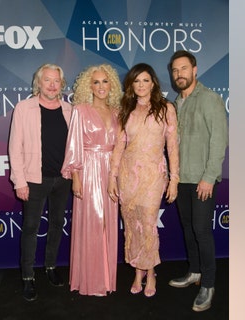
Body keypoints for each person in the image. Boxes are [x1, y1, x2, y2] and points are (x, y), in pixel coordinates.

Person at [108, 63, 179, 298]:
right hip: (128, 176)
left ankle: (150, 272)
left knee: (148, 225)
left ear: (153, 83)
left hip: (153, 176)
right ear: (131, 85)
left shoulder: (166, 108)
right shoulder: (126, 109)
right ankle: (138, 272)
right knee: (132, 225)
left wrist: (174, 179)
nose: (141, 85)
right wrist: (112, 177)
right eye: (136, 81)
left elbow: (172, 146)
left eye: (145, 80)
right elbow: (119, 145)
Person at [167, 50, 228, 312]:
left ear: (195, 69)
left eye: (183, 68)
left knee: (202, 231)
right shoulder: (175, 103)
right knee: (188, 228)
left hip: (202, 180)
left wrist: (208, 178)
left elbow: (218, 141)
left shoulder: (210, 99)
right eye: (175, 70)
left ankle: (209, 284)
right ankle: (194, 272)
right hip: (181, 179)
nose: (179, 73)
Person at [8, 63, 73, 302]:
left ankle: (50, 266)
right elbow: (14, 148)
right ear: (39, 82)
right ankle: (27, 276)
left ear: (61, 84)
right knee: (31, 228)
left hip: (62, 178)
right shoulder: (24, 108)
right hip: (34, 179)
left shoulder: (69, 110)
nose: (52, 85)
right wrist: (19, 181)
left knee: (57, 223)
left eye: (56, 80)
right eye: (47, 80)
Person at [61, 64, 123, 296]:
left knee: (108, 224)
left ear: (112, 85)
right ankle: (91, 281)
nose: (101, 87)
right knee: (93, 225)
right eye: (96, 82)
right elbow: (74, 145)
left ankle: (107, 279)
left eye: (105, 81)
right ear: (89, 86)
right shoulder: (80, 110)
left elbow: (121, 146)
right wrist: (75, 177)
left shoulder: (117, 111)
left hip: (112, 172)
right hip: (88, 170)